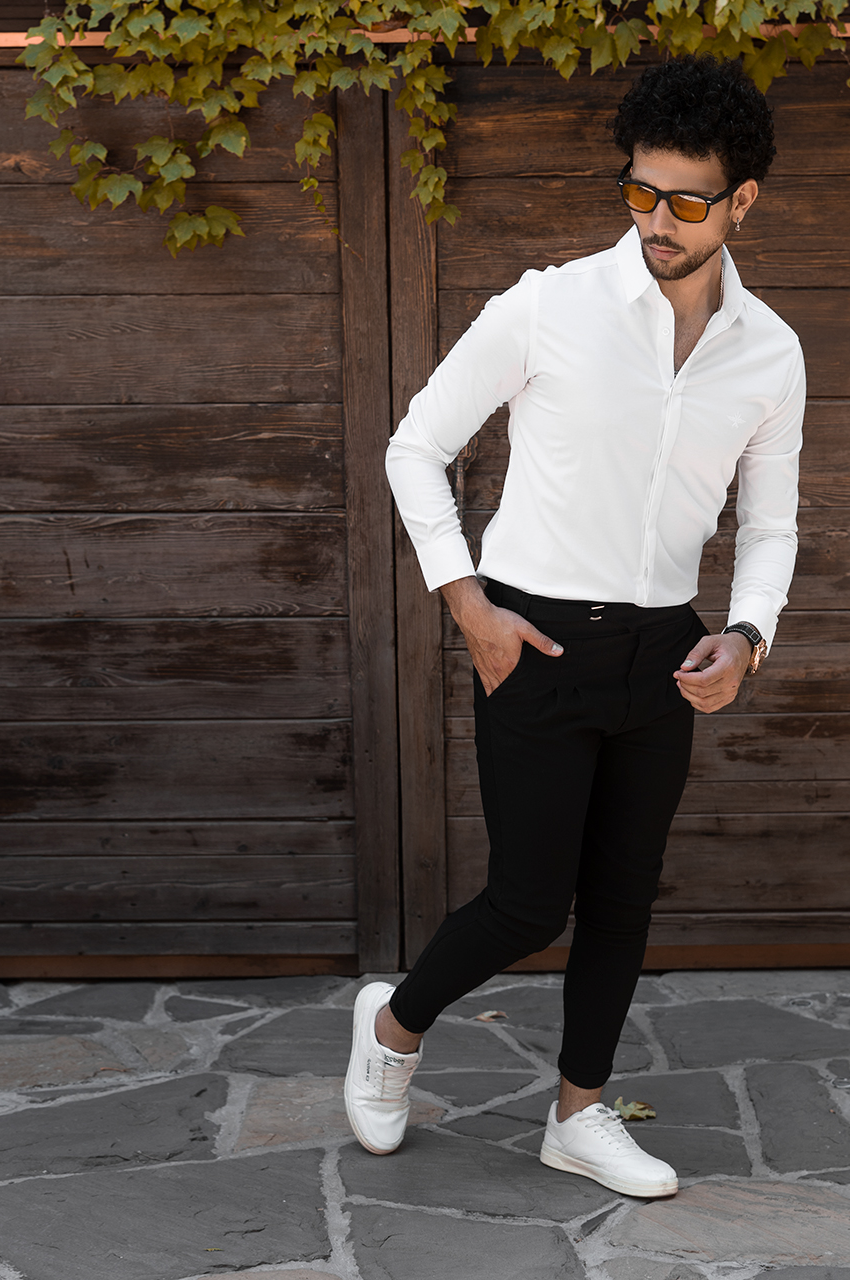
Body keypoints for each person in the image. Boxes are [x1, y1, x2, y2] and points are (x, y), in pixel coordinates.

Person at [345, 54, 805, 1199]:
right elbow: (413, 446)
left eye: (686, 201)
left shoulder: (769, 352)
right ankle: (393, 1026)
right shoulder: (546, 305)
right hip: (534, 640)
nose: (657, 220)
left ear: (742, 201)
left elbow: (768, 523)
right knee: (524, 900)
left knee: (621, 899)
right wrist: (468, 604)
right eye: (639, 191)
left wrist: (746, 635)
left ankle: (579, 1113)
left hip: (665, 653)